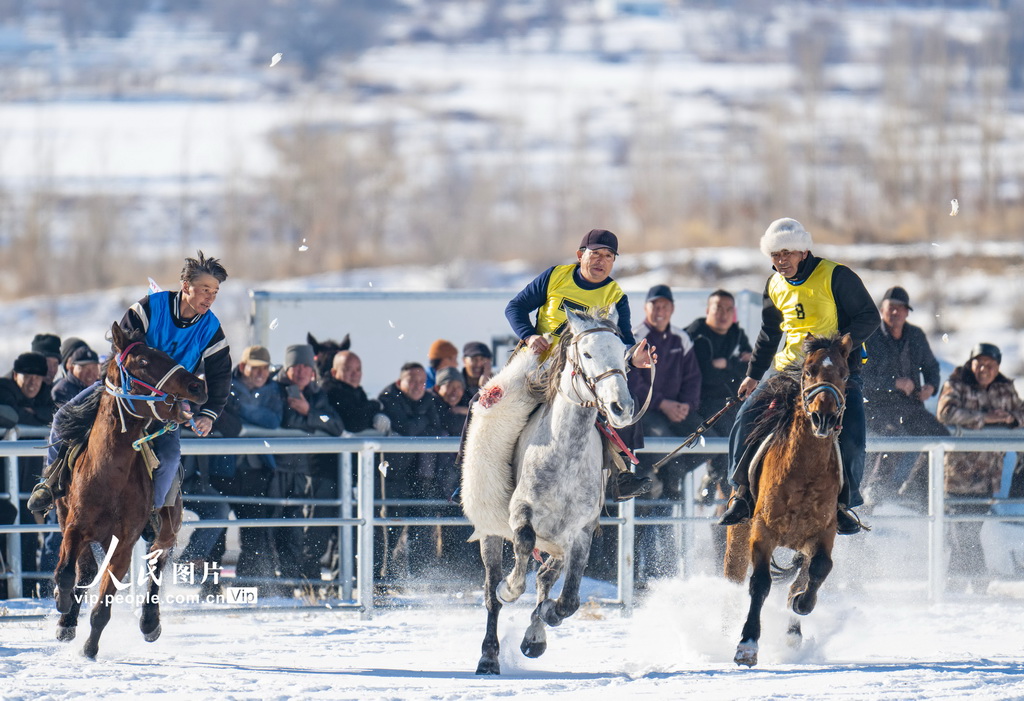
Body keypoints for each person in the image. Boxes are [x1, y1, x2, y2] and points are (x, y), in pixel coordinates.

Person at [28, 251, 232, 525]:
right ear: (186, 286)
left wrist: (208, 413)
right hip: (124, 390)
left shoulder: (212, 328)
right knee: (63, 417)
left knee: (170, 456)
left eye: (215, 292)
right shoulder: (151, 306)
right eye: (205, 289)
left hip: (166, 402)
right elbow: (124, 344)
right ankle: (49, 483)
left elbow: (220, 374)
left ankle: (152, 513)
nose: (209, 297)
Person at [718, 218, 880, 534]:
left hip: (834, 372)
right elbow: (768, 331)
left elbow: (869, 317)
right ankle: (740, 493)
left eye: (787, 254)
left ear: (803, 251)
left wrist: (845, 343)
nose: (781, 261)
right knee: (746, 415)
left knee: (854, 429)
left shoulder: (836, 276)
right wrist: (753, 375)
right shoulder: (774, 284)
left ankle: (844, 502)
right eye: (776, 256)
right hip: (790, 370)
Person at [504, 228, 656, 500]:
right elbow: (514, 307)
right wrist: (529, 336)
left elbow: (626, 340)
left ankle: (620, 475)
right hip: (539, 364)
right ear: (580, 255)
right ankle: (479, 474)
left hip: (584, 374)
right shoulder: (555, 276)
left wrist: (634, 357)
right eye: (595, 253)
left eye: (608, 256)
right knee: (488, 404)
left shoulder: (615, 294)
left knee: (623, 401)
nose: (601, 261)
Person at [936, 343, 1024, 594]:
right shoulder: (957, 385)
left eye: (990, 365)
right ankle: (979, 581)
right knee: (962, 530)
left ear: (997, 368)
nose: (985, 369)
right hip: (959, 475)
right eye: (980, 364)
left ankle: (954, 585)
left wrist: (1010, 419)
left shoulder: (1004, 389)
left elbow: (1021, 411)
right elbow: (946, 412)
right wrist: (987, 418)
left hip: (988, 476)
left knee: (968, 530)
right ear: (971, 363)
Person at [861, 286, 949, 505]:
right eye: (891, 308)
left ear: (907, 312)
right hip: (876, 408)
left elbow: (932, 367)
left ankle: (917, 490)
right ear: (882, 310)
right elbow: (859, 379)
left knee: (943, 438)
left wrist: (930, 386)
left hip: (910, 407)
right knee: (895, 436)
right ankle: (876, 489)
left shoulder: (916, 335)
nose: (896, 313)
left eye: (900, 309)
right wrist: (893, 383)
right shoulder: (869, 336)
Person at [270, 343, 344, 585]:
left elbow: (333, 423)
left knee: (294, 532)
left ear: (313, 370)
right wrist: (310, 418)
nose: (301, 371)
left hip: (300, 470)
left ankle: (291, 587)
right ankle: (265, 583)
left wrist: (309, 411)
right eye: (295, 366)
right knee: (267, 530)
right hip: (272, 469)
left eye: (306, 366)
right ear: (287, 368)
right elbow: (286, 422)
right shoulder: (275, 388)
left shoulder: (315, 393)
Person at [215, 344, 285, 591]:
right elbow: (221, 414)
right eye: (255, 368)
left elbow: (273, 420)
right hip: (223, 470)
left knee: (254, 535)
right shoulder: (223, 385)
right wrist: (247, 415)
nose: (260, 373)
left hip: (256, 471)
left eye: (264, 369)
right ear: (243, 367)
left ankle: (247, 591)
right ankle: (209, 591)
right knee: (216, 532)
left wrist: (241, 410)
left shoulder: (273, 391)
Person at [629, 284, 703, 495]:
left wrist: (687, 406)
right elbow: (632, 382)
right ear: (645, 308)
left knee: (708, 439)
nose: (660, 311)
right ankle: (650, 488)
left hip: (676, 411)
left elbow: (693, 377)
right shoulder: (635, 337)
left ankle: (670, 477)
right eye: (655, 305)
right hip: (645, 413)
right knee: (663, 441)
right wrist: (662, 403)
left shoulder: (681, 338)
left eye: (665, 306)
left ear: (672, 309)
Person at [684, 289, 753, 505]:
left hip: (731, 403)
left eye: (728, 309)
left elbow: (750, 370)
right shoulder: (696, 333)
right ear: (707, 311)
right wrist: (732, 366)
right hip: (698, 403)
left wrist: (727, 364)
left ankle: (722, 489)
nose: (723, 314)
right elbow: (707, 374)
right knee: (725, 439)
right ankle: (717, 484)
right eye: (718, 309)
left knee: (740, 438)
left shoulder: (737, 334)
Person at [377, 362, 445, 579]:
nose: (417, 386)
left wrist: (419, 424)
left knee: (419, 528)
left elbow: (434, 429)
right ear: (399, 382)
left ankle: (416, 577)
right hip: (393, 475)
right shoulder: (388, 398)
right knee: (391, 528)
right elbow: (407, 429)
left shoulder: (428, 400)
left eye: (421, 381)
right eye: (411, 381)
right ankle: (383, 576)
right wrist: (422, 421)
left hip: (419, 474)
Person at [322, 350, 390, 435]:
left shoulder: (357, 391)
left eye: (358, 369)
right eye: (348, 369)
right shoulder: (331, 391)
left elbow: (362, 412)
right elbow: (354, 422)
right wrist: (375, 405)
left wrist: (378, 415)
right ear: (334, 372)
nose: (354, 374)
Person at [459, 341, 493, 406]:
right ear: (464, 360)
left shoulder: (497, 385)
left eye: (482, 359)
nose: (478, 364)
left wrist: (485, 387)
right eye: (474, 359)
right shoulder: (455, 384)